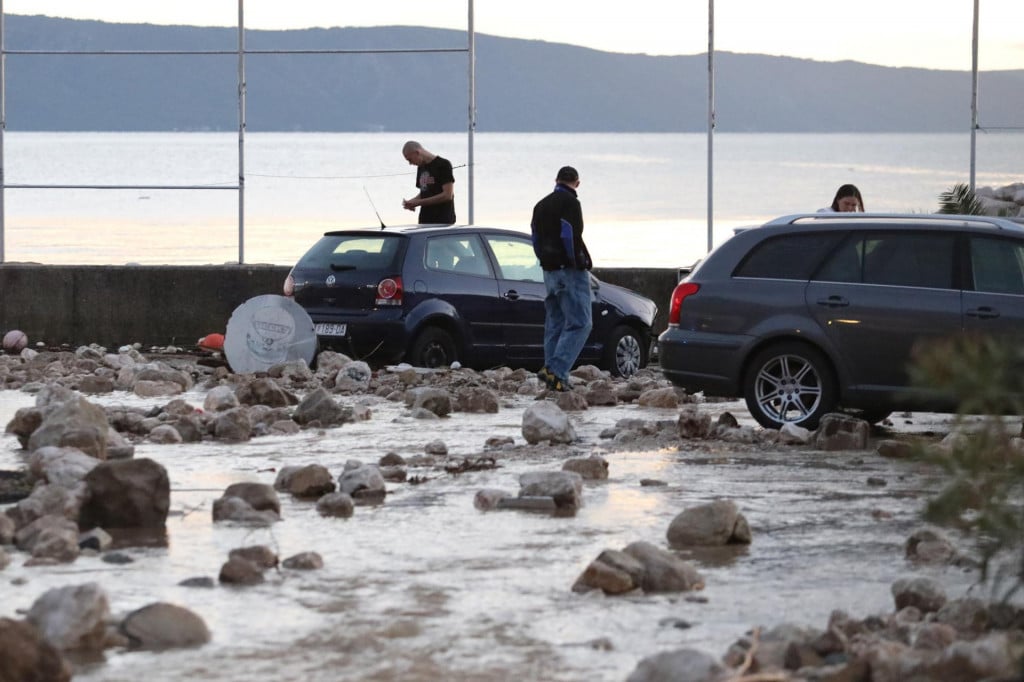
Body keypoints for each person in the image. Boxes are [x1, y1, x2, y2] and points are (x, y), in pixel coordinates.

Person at [530, 165, 593, 392]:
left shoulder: (541, 205)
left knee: (554, 323)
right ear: (577, 183)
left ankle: (552, 380)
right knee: (581, 323)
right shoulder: (571, 204)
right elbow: (568, 233)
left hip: (548, 271)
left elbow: (535, 238)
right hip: (568, 270)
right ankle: (556, 372)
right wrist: (574, 262)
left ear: (556, 180)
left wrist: (545, 260)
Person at [401, 140, 456, 225]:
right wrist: (412, 202)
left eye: (410, 159)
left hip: (443, 220)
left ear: (417, 152)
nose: (410, 163)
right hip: (425, 219)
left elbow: (447, 195)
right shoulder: (421, 168)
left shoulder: (443, 164)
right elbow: (424, 192)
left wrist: (418, 202)